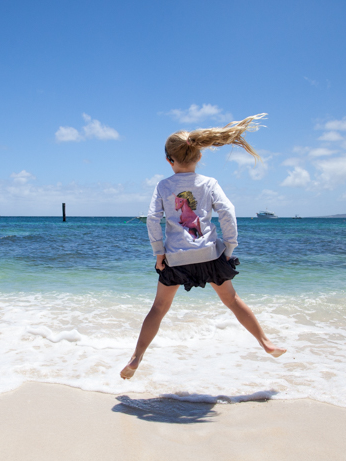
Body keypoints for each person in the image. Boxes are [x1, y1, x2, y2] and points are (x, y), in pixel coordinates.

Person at [121, 114, 287, 380]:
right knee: (232, 301)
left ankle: (136, 357)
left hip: (175, 259)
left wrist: (159, 253)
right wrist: (230, 247)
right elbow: (228, 212)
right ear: (199, 157)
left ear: (168, 160)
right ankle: (266, 342)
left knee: (159, 309)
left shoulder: (163, 186)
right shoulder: (209, 183)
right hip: (211, 255)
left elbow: (152, 219)